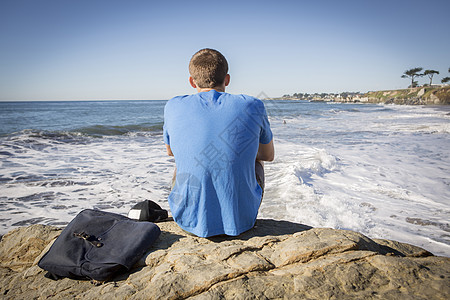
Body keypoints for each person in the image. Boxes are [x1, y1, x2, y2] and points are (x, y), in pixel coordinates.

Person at [163, 48, 274, 237]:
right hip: (242, 221)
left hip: (185, 219)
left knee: (184, 161)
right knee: (256, 160)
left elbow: (171, 151)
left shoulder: (172, 105)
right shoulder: (253, 104)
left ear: (191, 81)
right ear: (227, 79)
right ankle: (234, 210)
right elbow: (268, 155)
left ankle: (194, 208)